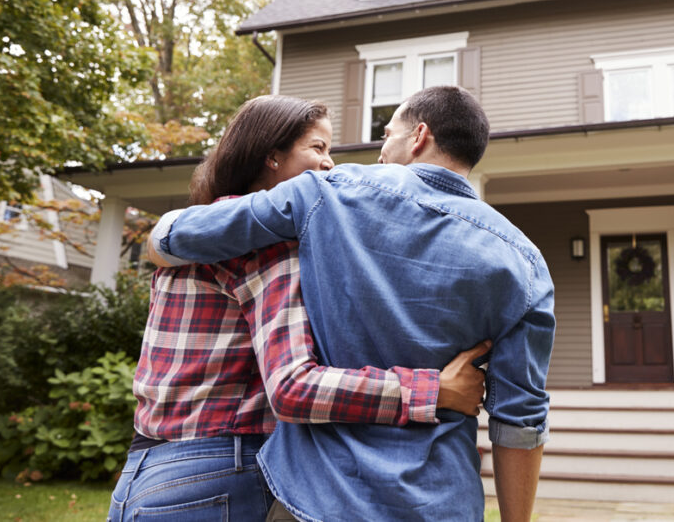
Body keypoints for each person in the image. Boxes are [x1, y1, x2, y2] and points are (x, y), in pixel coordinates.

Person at [149, 86, 555, 522]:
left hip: (317, 498)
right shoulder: (525, 263)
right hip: (440, 502)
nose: (380, 152)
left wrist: (160, 239)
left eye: (387, 136)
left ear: (418, 137)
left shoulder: (326, 192)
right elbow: (521, 420)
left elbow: (178, 236)